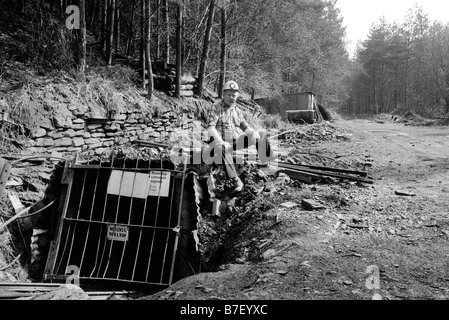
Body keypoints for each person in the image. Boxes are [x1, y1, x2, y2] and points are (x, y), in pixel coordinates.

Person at [206, 80, 277, 192]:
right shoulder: (216, 107)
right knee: (221, 147)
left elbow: (245, 127)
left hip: (232, 143)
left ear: (237, 96)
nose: (231, 97)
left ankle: (267, 167)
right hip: (217, 143)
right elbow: (210, 128)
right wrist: (221, 142)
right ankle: (236, 180)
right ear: (223, 94)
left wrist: (253, 132)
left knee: (261, 134)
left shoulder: (237, 110)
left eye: (234, 95)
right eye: (228, 94)